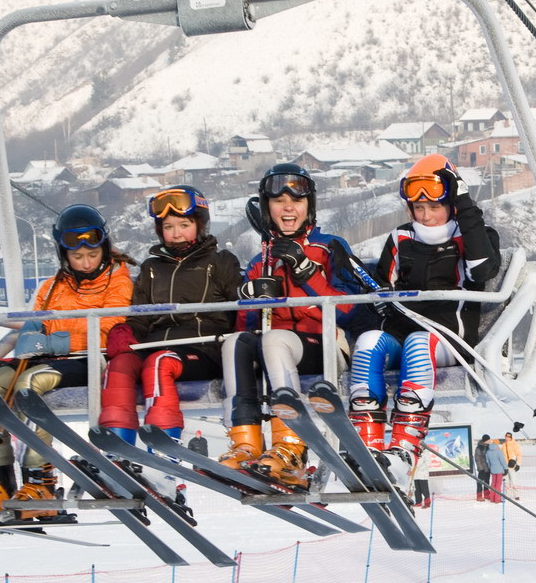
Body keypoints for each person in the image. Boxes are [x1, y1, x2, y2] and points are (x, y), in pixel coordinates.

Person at [0, 203, 135, 519]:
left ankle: (41, 480)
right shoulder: (53, 286)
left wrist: (58, 338)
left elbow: (111, 326)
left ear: (104, 250)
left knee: (29, 386)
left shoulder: (118, 280)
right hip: (51, 357)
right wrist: (33, 333)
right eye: (77, 257)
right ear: (64, 255)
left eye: (92, 255)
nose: (85, 262)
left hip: (89, 360)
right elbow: (39, 319)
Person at [347, 154, 501, 468]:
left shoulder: (474, 238)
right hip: (402, 332)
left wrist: (464, 204)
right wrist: (375, 294)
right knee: (368, 343)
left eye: (434, 207)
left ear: (452, 203)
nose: (426, 216)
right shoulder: (401, 238)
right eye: (419, 208)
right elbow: (380, 286)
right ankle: (366, 449)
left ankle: (404, 449)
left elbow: (483, 269)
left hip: (448, 336)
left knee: (420, 342)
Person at [227, 163, 366, 487]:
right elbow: (245, 328)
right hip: (276, 352)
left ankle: (292, 448)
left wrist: (307, 274)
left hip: (327, 346)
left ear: (309, 206)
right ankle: (246, 445)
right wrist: (248, 300)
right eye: (279, 201)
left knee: (274, 339)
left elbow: (348, 310)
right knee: (235, 343)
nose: (288, 207)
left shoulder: (329, 247)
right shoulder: (260, 260)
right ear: (267, 208)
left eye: (297, 201)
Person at [101, 185, 241, 450]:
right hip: (155, 344)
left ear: (199, 225)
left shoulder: (220, 261)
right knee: (118, 366)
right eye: (168, 227)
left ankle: (165, 446)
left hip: (202, 347)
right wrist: (127, 331)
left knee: (158, 364)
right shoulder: (152, 268)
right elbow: (141, 316)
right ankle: (118, 447)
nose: (176, 234)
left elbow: (239, 307)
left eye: (184, 224)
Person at [484, 436, 507, 504]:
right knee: (498, 484)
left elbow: (488, 462)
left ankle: (492, 498)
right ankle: (497, 499)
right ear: (497, 444)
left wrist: (491, 468)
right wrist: (505, 468)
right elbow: (502, 461)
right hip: (499, 470)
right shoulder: (498, 451)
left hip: (493, 470)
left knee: (493, 484)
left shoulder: (488, 452)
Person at [500, 431, 523, 498]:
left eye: (509, 436)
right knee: (506, 481)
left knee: (513, 480)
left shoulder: (515, 444)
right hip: (505, 465)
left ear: (511, 437)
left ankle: (516, 495)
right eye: (506, 436)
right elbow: (501, 455)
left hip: (512, 465)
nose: (507, 438)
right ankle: (507, 495)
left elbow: (519, 455)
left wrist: (518, 464)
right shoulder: (504, 445)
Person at [412, 443, 433, 510]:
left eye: (420, 445)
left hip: (422, 474)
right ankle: (418, 502)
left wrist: (418, 468)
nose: (419, 446)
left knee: (424, 489)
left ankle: (427, 503)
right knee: (417, 489)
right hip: (416, 474)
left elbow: (427, 463)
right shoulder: (416, 452)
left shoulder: (426, 453)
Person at [474, 433, 492, 502]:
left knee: (487, 482)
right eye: (488, 439)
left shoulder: (488, 447)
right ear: (485, 440)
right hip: (482, 468)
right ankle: (479, 496)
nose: (490, 440)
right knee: (480, 482)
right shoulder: (479, 448)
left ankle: (487, 495)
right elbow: (477, 459)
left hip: (487, 467)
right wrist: (480, 468)